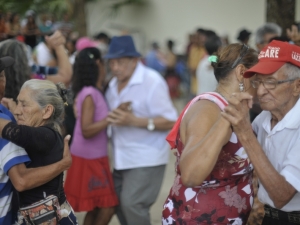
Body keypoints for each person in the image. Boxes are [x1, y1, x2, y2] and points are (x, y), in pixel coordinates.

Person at [162, 43, 259, 225]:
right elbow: (190, 175)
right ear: (241, 72)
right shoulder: (209, 110)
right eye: (257, 78)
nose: (260, 86)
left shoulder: (225, 106)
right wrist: (226, 119)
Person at [222, 40, 300, 225]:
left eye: (271, 82)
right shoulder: (264, 118)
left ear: (297, 86)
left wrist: (245, 133)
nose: (261, 91)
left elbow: (282, 195)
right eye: (258, 81)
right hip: (270, 218)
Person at [105, 35, 177, 225]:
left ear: (134, 60)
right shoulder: (112, 84)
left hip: (146, 156)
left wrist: (134, 120)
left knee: (133, 204)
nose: (115, 68)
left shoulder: (152, 81)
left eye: (120, 62)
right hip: (120, 157)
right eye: (111, 63)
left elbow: (171, 120)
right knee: (118, 204)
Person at [0, 56, 72, 224]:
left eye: (24, 105)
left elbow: (15, 132)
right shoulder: (42, 130)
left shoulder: (48, 136)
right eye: (17, 103)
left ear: (46, 112)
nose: (17, 111)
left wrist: (63, 165)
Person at [64, 47, 118, 225]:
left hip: (93, 155)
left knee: (97, 206)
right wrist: (111, 118)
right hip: (89, 157)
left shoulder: (92, 90)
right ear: (97, 65)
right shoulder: (89, 93)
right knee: (108, 206)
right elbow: (87, 130)